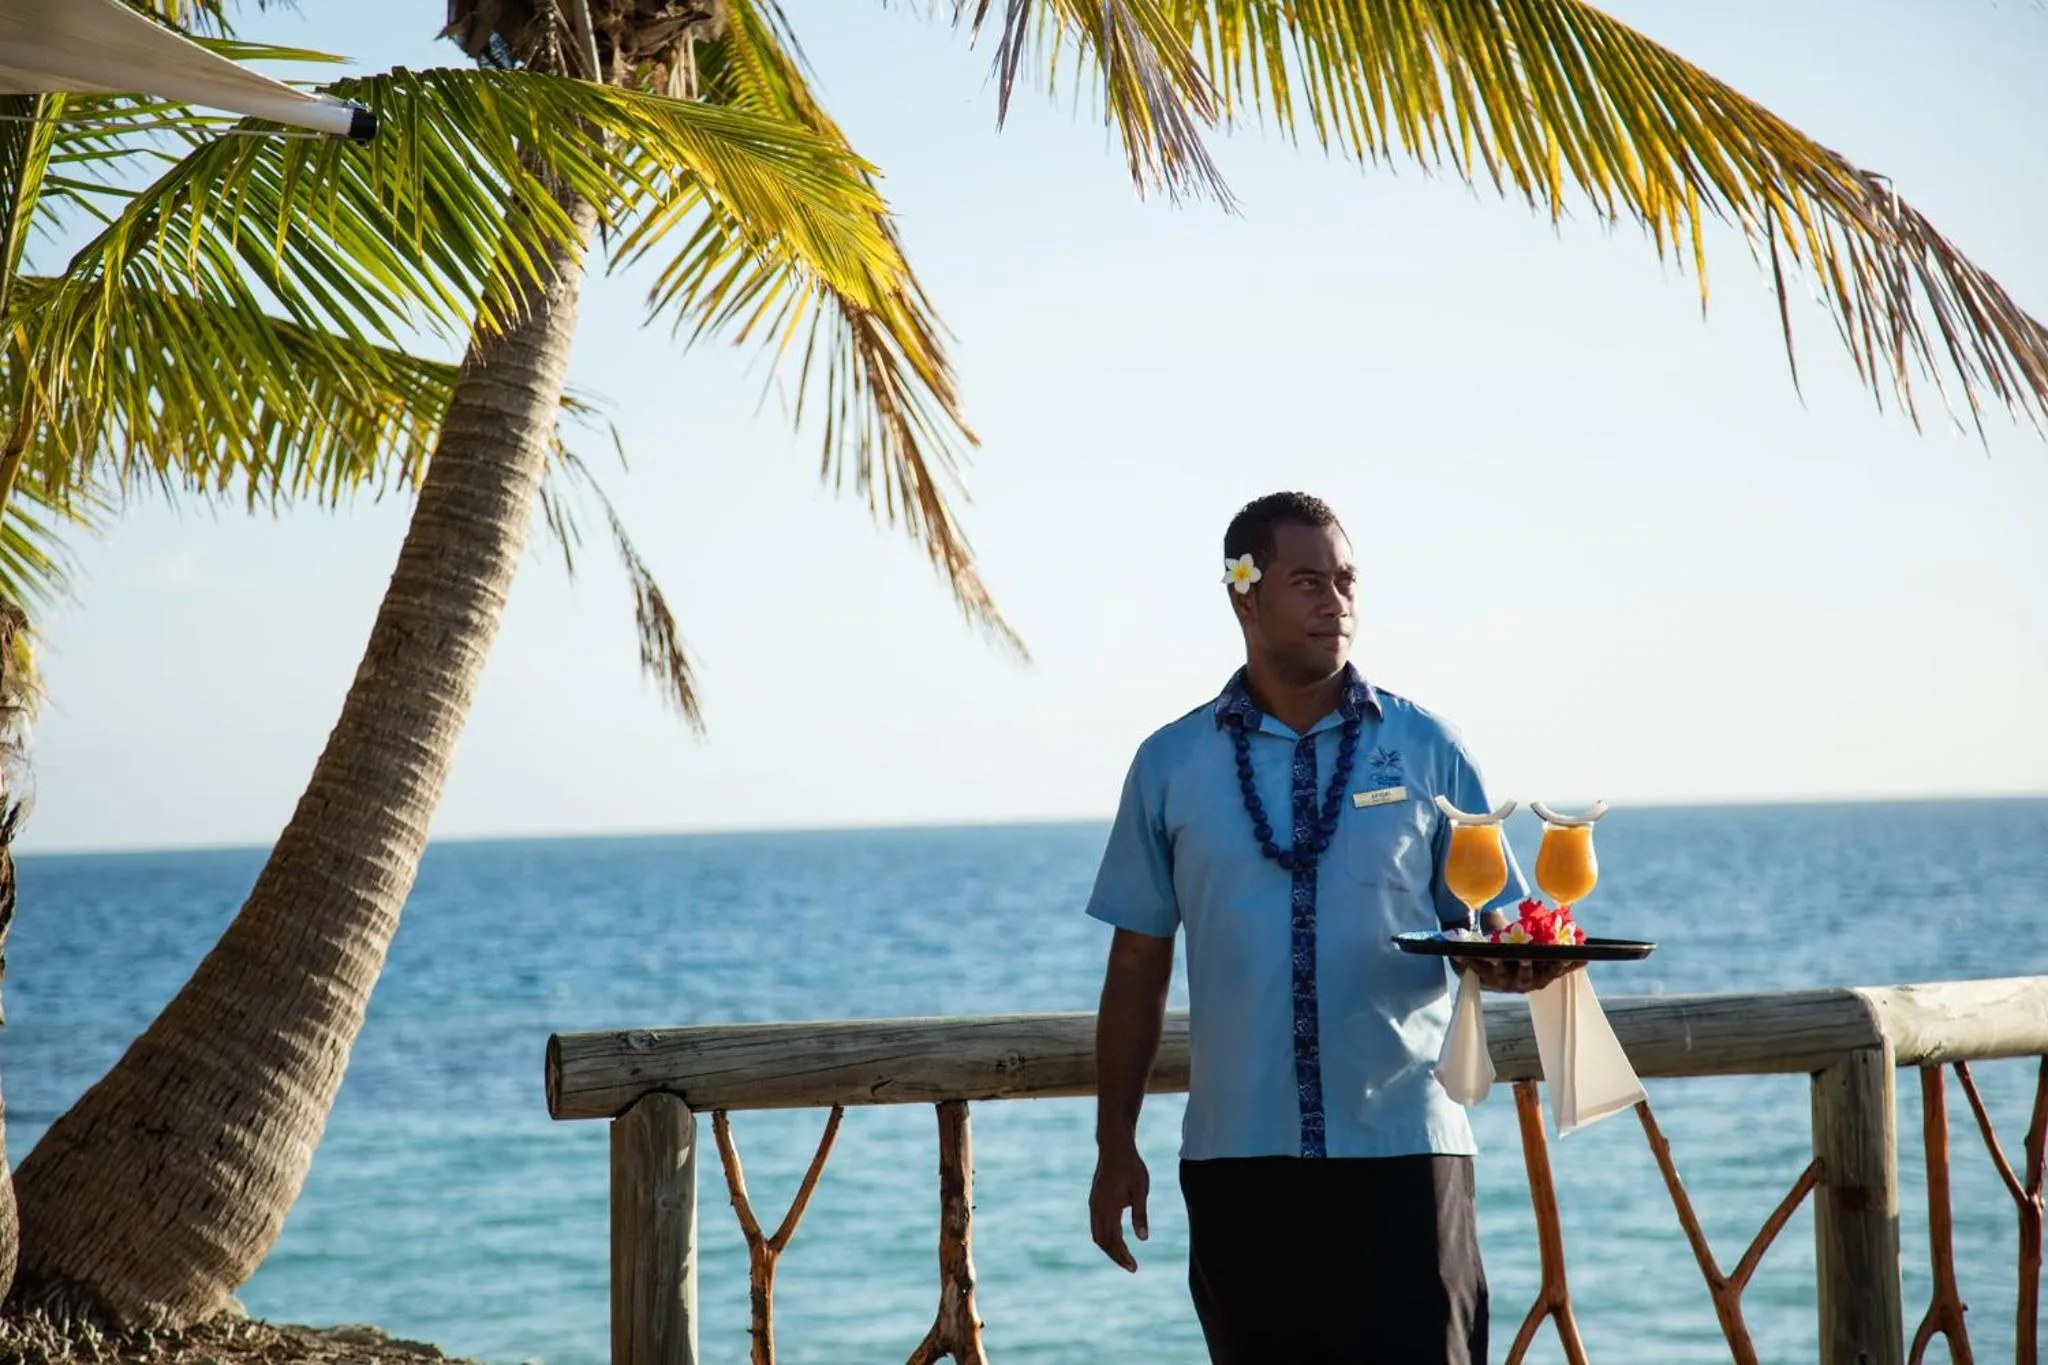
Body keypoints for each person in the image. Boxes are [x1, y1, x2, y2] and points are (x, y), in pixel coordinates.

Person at [1085, 491, 1576, 1364]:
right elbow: (1135, 964)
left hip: (1406, 1153)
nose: (1335, 601)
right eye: (1307, 580)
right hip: (1240, 1168)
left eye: (1346, 579)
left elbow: (1485, 918)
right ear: (1244, 594)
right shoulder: (1169, 764)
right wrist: (1114, 1141)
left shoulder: (1430, 748)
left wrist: (1511, 961)